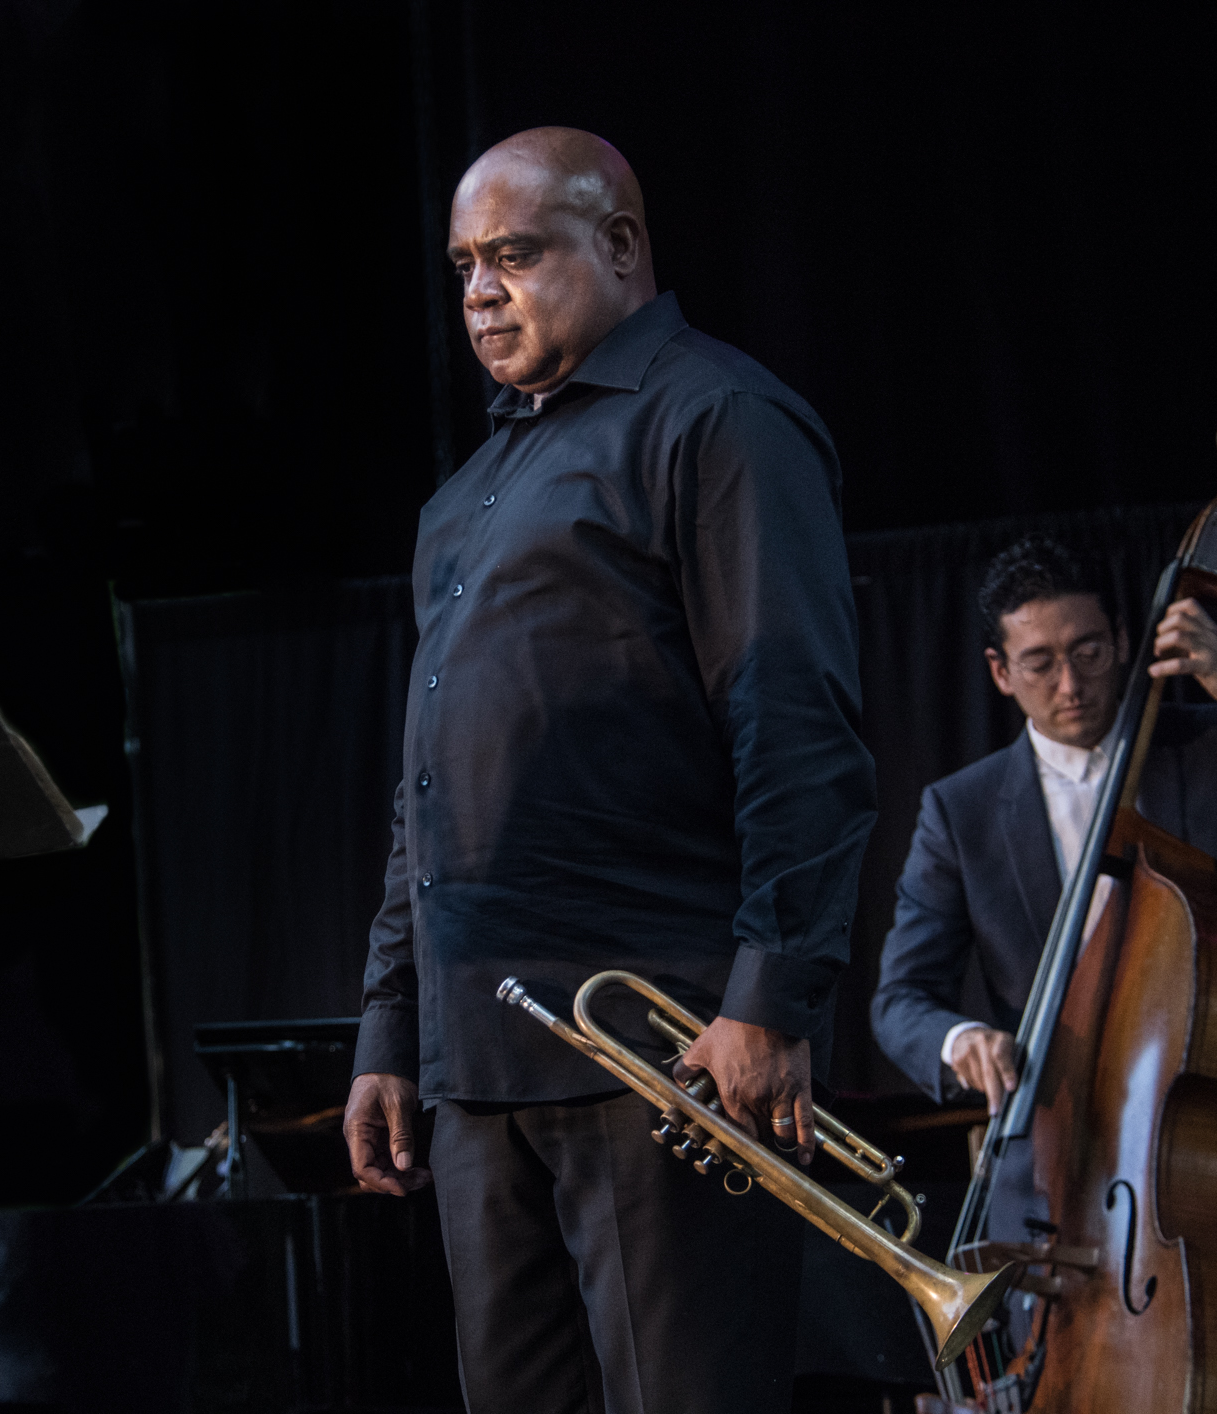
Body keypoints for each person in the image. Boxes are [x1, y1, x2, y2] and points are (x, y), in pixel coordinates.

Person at [342, 127, 878, 1414]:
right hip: (480, 1064)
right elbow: (428, 790)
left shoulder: (719, 418)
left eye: (514, 255)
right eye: (464, 263)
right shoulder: (464, 495)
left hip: (662, 1053)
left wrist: (771, 995)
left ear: (620, 246)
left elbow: (794, 720)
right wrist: (390, 1024)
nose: (479, 290)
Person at [870, 533, 1217, 1234]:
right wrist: (959, 1038)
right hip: (1059, 1166)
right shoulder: (959, 811)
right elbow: (900, 999)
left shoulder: (1215, 746)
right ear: (998, 671)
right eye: (1038, 663)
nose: (1069, 686)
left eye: (1087, 652)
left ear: (1121, 639)